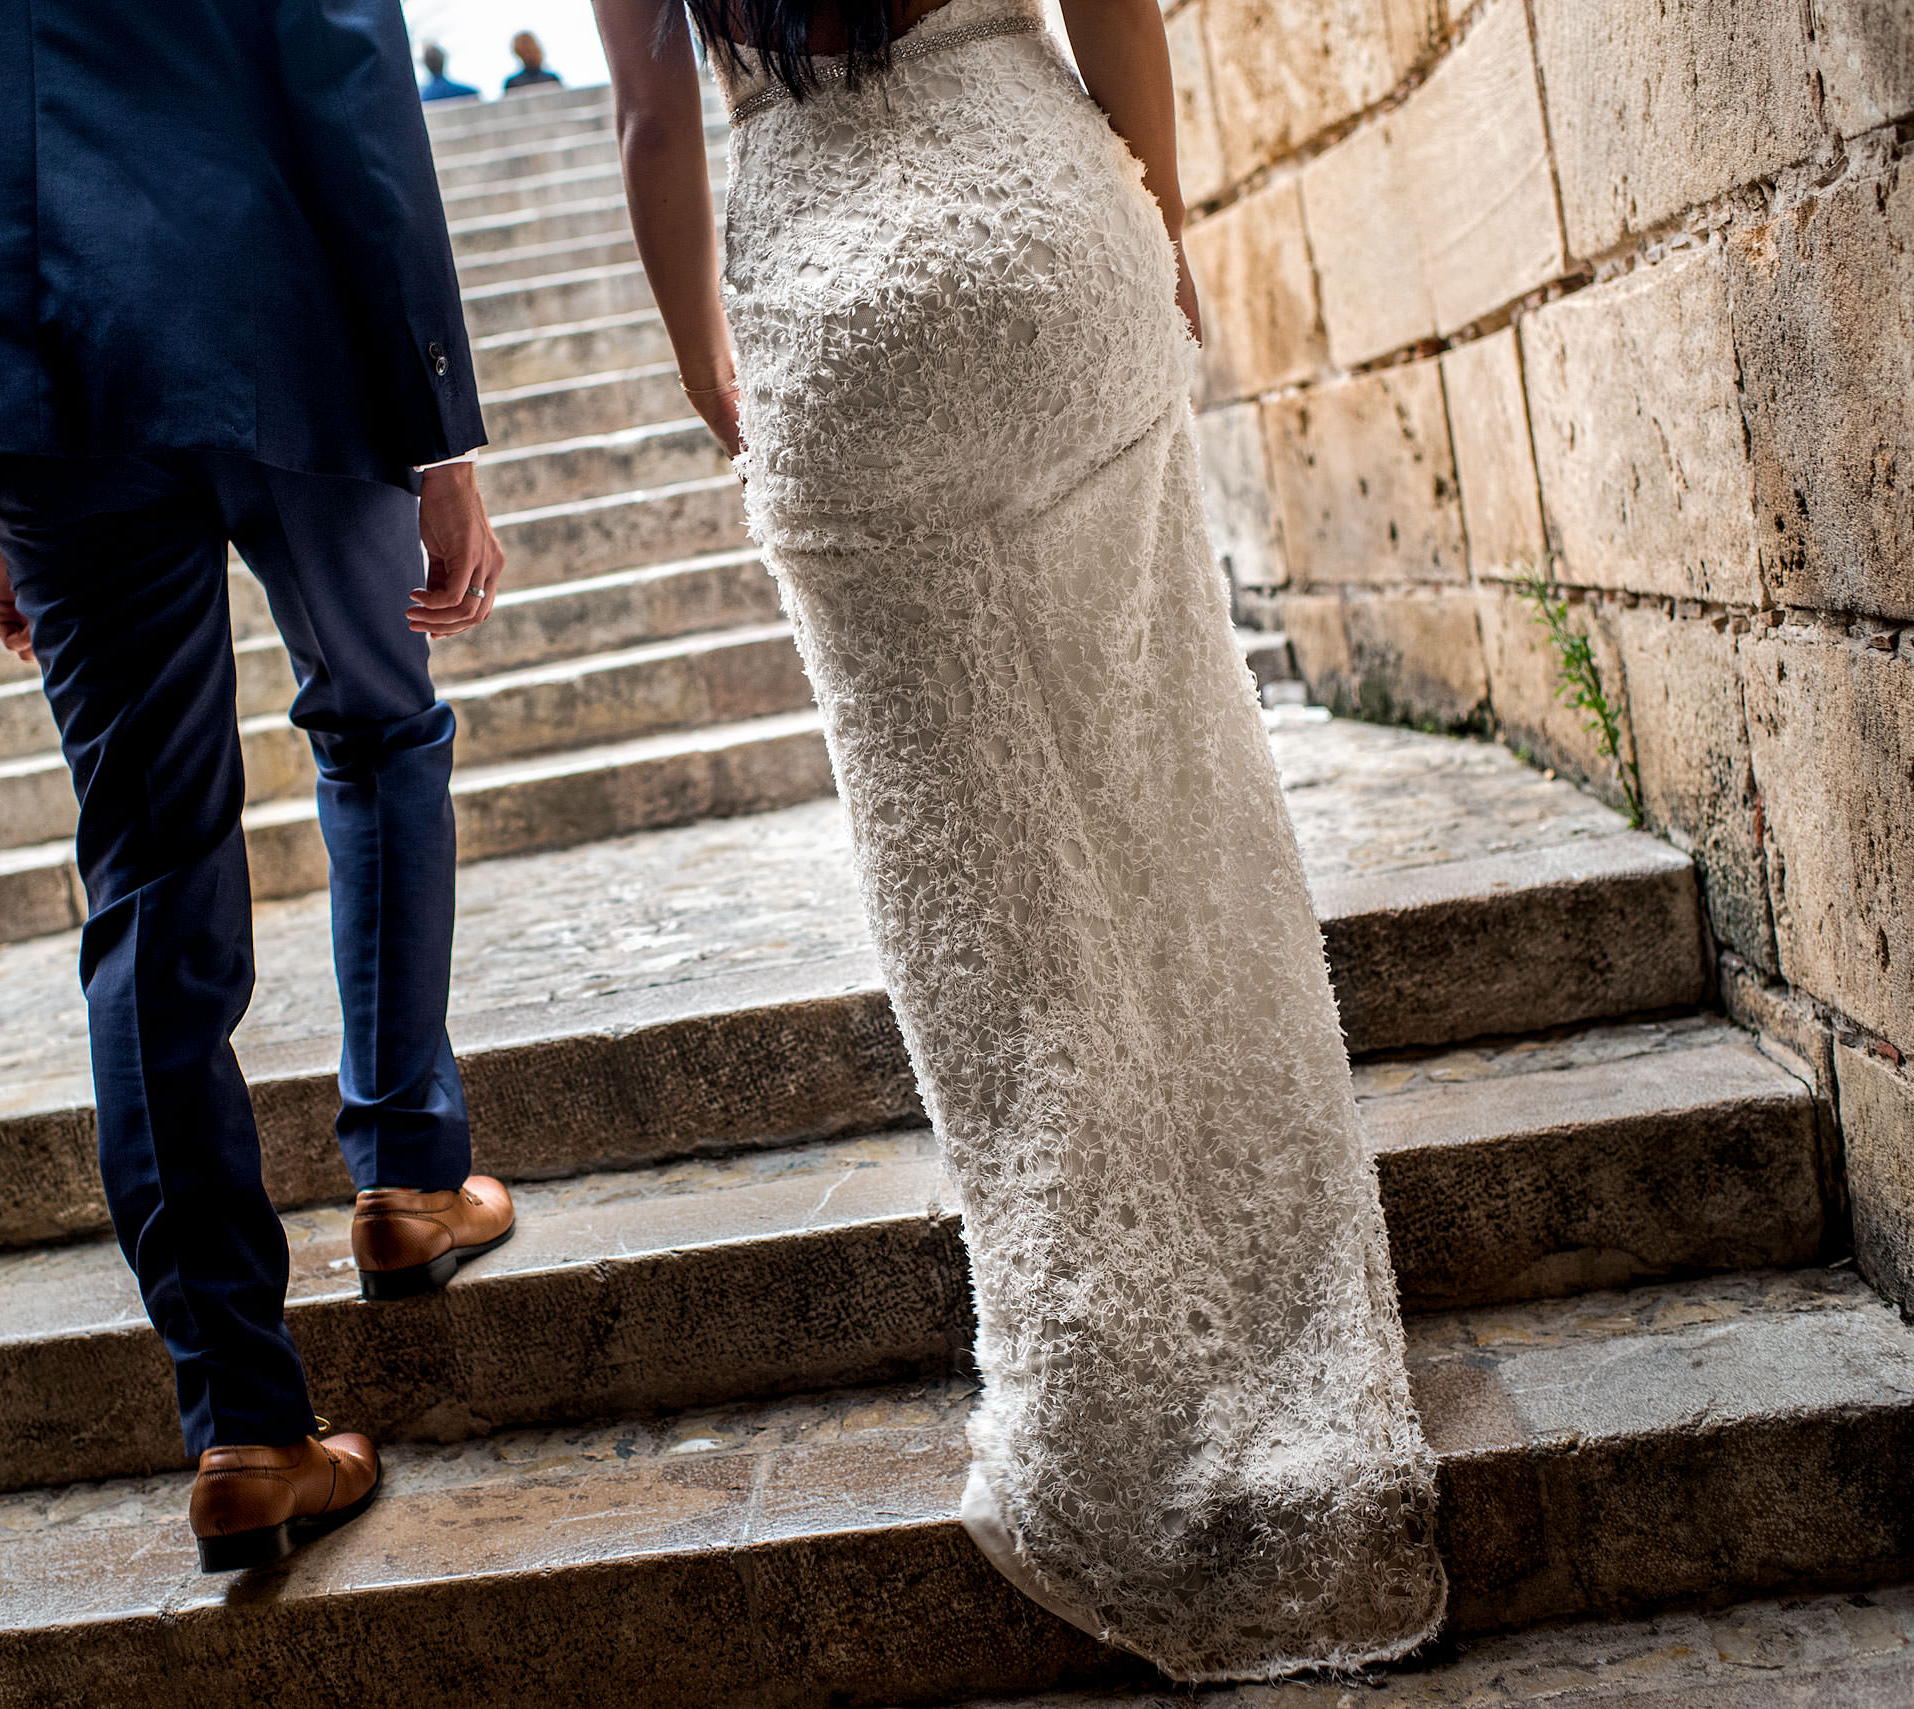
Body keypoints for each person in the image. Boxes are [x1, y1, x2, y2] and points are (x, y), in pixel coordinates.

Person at [590, 0, 1446, 1681]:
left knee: (982, 895)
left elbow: (652, 122)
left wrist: (710, 355)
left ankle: (1102, 1382)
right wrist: (1163, 220)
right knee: (1177, 801)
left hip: (831, 300)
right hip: (1047, 228)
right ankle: (1279, 1304)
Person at [0, 0, 520, 1574]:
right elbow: (346, 61)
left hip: (38, 383)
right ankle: (411, 1175)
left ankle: (242, 1422)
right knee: (377, 724)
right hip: (277, 317)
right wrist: (440, 423)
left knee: (149, 881)